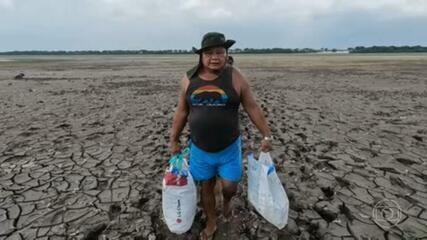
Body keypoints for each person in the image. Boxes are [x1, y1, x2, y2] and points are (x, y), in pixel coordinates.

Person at [169, 32, 272, 240]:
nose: (214, 57)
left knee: (229, 186)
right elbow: (181, 111)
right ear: (201, 56)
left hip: (229, 148)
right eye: (209, 53)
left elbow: (251, 106)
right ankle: (212, 220)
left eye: (219, 52)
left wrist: (266, 135)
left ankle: (226, 201)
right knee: (206, 185)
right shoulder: (189, 79)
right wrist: (174, 140)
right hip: (200, 148)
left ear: (226, 54)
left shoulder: (235, 77)